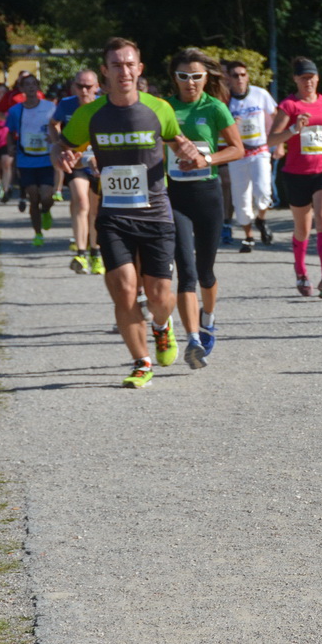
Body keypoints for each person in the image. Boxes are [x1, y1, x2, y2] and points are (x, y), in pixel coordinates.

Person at [59, 37, 200, 389]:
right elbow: (64, 146)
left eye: (130, 64)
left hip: (155, 214)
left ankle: (162, 325)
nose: (124, 71)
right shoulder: (89, 114)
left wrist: (187, 151)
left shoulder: (159, 109)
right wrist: (62, 156)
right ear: (105, 71)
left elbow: (178, 142)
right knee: (124, 290)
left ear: (140, 69)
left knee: (159, 296)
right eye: (117, 65)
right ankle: (141, 362)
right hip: (113, 216)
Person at [166, 49, 244, 368]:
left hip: (207, 194)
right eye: (183, 76)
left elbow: (238, 149)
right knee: (185, 271)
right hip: (174, 196)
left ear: (206, 77)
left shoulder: (215, 109)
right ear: (175, 78)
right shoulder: (165, 108)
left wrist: (206, 159)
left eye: (196, 76)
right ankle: (193, 339)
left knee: (205, 272)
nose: (190, 82)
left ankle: (208, 320)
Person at [267, 57, 322, 298]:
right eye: (303, 78)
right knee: (302, 229)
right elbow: (271, 140)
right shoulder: (289, 106)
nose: (308, 82)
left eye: (311, 78)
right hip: (296, 173)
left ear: (317, 78)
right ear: (295, 79)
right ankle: (301, 270)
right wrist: (294, 129)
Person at [51, 70, 104, 273]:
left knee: (95, 209)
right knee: (81, 202)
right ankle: (80, 254)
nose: (84, 90)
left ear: (97, 86)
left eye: (88, 86)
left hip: (98, 163)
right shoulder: (66, 104)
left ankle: (95, 253)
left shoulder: (104, 105)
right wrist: (59, 145)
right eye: (80, 86)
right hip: (76, 162)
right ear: (73, 87)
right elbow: (52, 124)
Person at [224, 59, 278, 253]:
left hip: (260, 151)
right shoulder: (225, 100)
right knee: (241, 199)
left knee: (264, 191)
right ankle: (248, 237)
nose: (239, 78)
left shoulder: (260, 94)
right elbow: (218, 130)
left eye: (243, 74)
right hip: (238, 155)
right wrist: (231, 125)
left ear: (247, 76)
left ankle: (261, 219)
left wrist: (278, 144)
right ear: (228, 78)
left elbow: (276, 116)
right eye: (235, 75)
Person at [7, 74, 58, 246]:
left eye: (33, 84)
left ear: (38, 87)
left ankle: (47, 211)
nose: (30, 87)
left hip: (46, 158)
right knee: (33, 197)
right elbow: (10, 132)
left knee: (46, 196)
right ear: (21, 89)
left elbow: (57, 127)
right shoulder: (15, 111)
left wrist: (55, 139)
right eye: (26, 85)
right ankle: (38, 233)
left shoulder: (50, 107)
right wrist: (10, 147)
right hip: (26, 159)